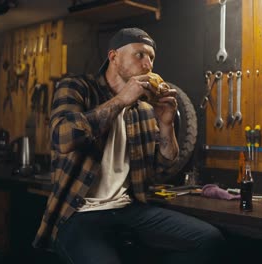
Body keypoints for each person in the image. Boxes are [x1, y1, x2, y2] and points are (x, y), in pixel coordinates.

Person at [33, 27, 224, 263]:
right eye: (140, 54)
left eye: (151, 58)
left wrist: (166, 124)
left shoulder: (144, 109)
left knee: (208, 239)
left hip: (128, 209)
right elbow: (62, 138)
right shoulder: (77, 87)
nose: (148, 64)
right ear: (113, 57)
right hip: (78, 213)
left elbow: (163, 168)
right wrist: (121, 99)